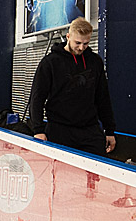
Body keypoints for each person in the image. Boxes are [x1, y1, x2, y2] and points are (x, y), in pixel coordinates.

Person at [29, 17, 117, 156]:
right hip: (59, 130)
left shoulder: (95, 62)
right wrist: (38, 130)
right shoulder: (50, 63)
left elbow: (103, 97)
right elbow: (37, 98)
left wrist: (109, 130)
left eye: (86, 43)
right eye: (77, 43)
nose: (81, 47)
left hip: (89, 129)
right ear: (68, 36)